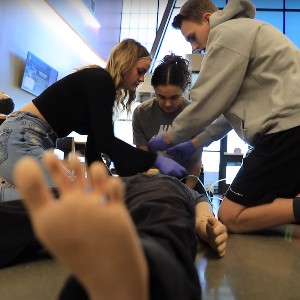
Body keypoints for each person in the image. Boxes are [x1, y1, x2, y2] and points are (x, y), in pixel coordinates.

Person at [148, 0, 300, 233]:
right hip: (291, 128)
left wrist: (169, 138)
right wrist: (197, 142)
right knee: (264, 204)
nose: (195, 46)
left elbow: (208, 100)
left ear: (208, 19)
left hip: (285, 132)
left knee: (230, 216)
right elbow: (225, 110)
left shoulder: (227, 34)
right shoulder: (246, 30)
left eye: (192, 37)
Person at [11, 151, 227, 300]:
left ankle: (135, 263)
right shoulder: (121, 180)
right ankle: (134, 264)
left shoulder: (178, 186)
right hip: (111, 204)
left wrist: (209, 229)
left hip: (157, 199)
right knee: (54, 208)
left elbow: (202, 216)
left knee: (161, 219)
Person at [0, 39, 187, 202]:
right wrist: (155, 159)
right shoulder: (100, 80)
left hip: (31, 137)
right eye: (140, 71)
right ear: (126, 62)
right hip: (22, 135)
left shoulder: (100, 92)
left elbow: (94, 151)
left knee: (73, 195)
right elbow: (107, 142)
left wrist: (107, 186)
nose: (141, 79)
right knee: (68, 194)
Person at [132, 53, 204, 192]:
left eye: (174, 97)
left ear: (184, 90)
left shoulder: (195, 114)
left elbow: (195, 162)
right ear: (154, 90)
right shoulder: (141, 113)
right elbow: (143, 158)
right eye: (161, 96)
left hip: (189, 176)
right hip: (153, 176)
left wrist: (187, 192)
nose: (168, 103)